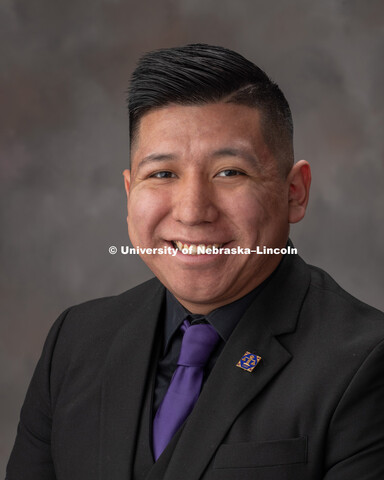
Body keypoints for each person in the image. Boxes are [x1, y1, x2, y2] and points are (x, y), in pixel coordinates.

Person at [6, 44, 384, 480]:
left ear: (294, 192)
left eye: (230, 172)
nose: (192, 210)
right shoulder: (75, 343)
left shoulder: (364, 362)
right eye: (162, 174)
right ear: (130, 195)